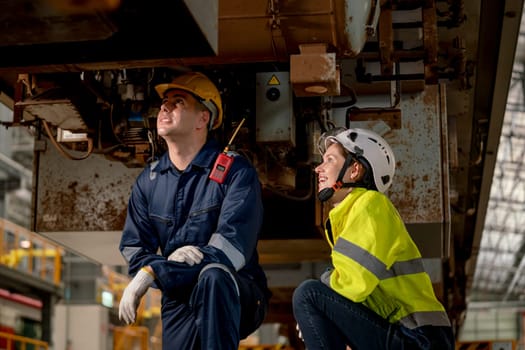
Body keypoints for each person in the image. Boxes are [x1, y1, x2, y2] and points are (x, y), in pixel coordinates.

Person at [118, 71, 270, 349]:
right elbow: (134, 247)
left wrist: (159, 270)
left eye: (178, 102)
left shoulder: (235, 171)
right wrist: (153, 269)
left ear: (203, 118)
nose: (165, 107)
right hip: (180, 297)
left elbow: (232, 249)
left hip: (236, 292)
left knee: (213, 275)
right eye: (164, 102)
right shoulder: (149, 181)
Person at [292, 127, 455, 349]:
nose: (318, 168)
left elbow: (352, 283)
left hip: (419, 338)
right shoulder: (349, 215)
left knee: (308, 294)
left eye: (329, 159)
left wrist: (319, 303)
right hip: (409, 334)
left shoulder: (370, 205)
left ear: (355, 170)